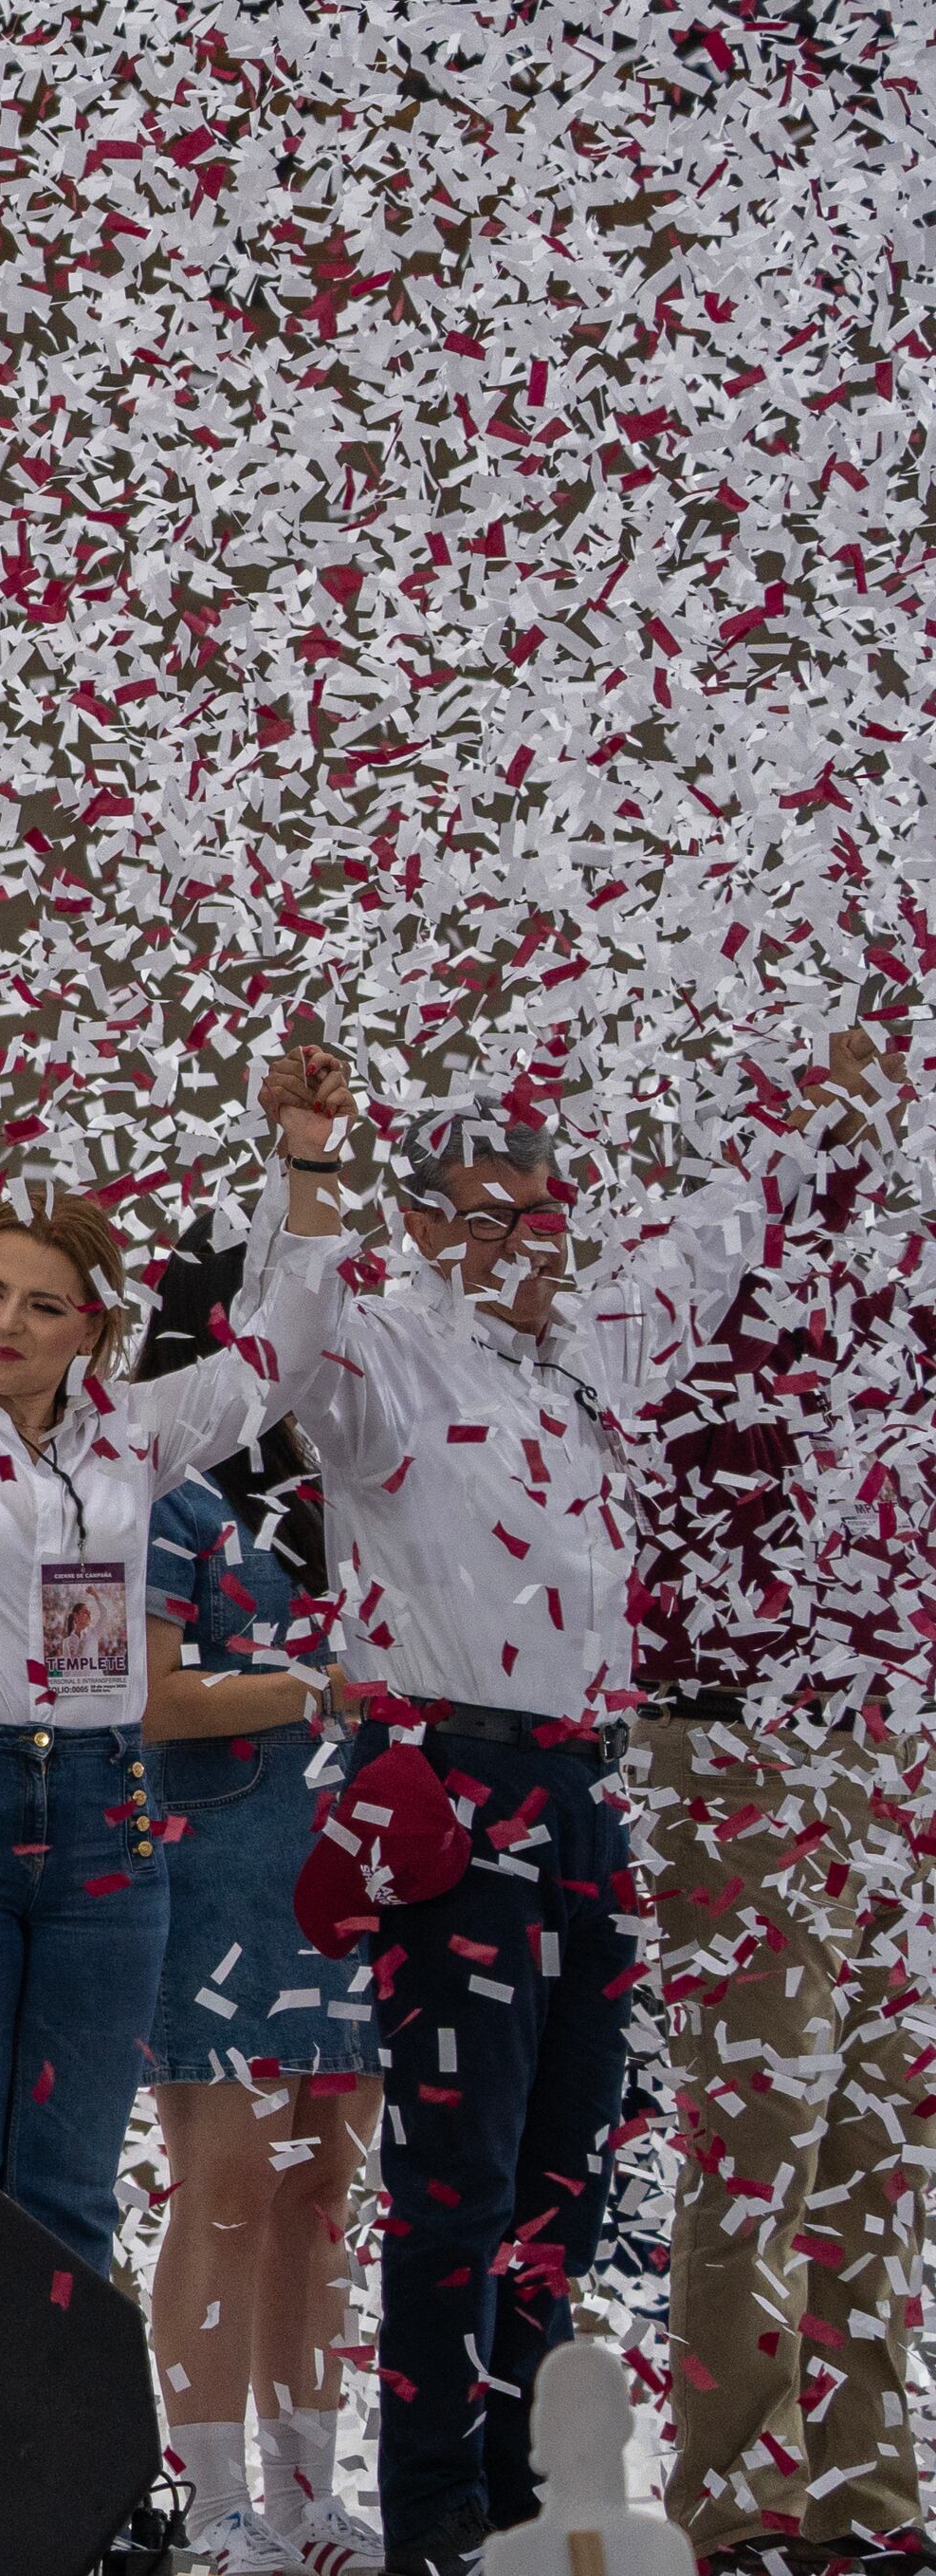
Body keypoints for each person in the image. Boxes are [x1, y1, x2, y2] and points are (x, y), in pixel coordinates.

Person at [0, 1039, 345, 2278]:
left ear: (93, 1328)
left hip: (105, 1822)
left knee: (72, 2198)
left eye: (44, 1303)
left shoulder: (136, 1432)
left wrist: (305, 1161)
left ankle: (66, 2472)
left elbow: (284, 1350)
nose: (3, 1322)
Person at [279, 1096, 670, 2576]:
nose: (519, 1249)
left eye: (540, 1218)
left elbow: (700, 1259)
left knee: (566, 2155)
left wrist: (815, 1110)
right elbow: (299, 1338)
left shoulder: (575, 1376)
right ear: (427, 1223)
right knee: (460, 2172)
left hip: (583, 1787)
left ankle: (521, 2479)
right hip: (456, 1776)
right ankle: (437, 2498)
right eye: (485, 1216)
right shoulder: (389, 1352)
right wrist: (306, 1173)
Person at [628, 1034, 932, 2576]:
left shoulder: (907, 1250)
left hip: (897, 1738)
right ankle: (740, 2498)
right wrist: (774, 1157)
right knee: (762, 2138)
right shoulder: (693, 1232)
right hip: (740, 1736)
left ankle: (868, 2499)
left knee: (885, 2137)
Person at [134, 1473, 378, 2576]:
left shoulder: (364, 1475)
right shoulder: (172, 1498)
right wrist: (317, 1689)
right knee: (226, 2186)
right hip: (223, 1869)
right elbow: (148, 1696)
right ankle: (211, 2504)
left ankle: (305, 2497)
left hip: (354, 1862)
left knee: (323, 2185)